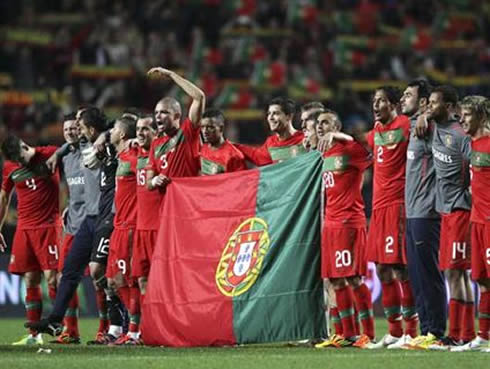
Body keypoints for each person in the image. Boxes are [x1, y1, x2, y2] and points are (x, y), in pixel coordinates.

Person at [313, 110, 375, 349]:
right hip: (330, 223)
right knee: (336, 280)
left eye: (325, 122)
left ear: (336, 126)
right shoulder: (322, 154)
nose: (320, 126)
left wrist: (340, 136)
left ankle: (368, 334)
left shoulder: (350, 151)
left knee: (353, 278)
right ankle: (346, 333)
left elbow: (364, 150)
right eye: (318, 123)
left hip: (349, 222)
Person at [420, 86, 474, 348]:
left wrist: (471, 196)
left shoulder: (460, 135)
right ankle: (464, 335)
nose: (429, 107)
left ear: (450, 107)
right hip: (446, 211)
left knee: (456, 273)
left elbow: (478, 168)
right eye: (428, 103)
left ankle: (459, 334)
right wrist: (423, 116)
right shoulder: (433, 129)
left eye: (434, 103)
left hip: (460, 210)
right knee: (455, 274)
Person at [364, 86, 418, 349]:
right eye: (374, 101)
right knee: (383, 269)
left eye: (382, 101)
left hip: (398, 205)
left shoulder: (406, 125)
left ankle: (412, 332)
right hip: (378, 208)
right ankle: (394, 332)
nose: (376, 105)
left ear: (394, 103)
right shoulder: (375, 133)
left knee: (400, 267)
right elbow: (355, 147)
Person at [399, 80, 448, 349]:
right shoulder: (412, 126)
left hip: (427, 212)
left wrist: (429, 116)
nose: (402, 99)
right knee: (417, 274)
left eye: (408, 96)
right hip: (412, 210)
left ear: (423, 102)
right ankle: (426, 329)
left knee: (429, 274)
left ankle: (437, 332)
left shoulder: (430, 127)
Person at [0, 136, 60, 345]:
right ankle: (35, 336)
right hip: (24, 229)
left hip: (49, 226)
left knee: (53, 279)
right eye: (16, 161)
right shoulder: (10, 167)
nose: (20, 163)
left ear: (26, 146)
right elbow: (4, 197)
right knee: (30, 280)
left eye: (22, 158)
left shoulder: (51, 153)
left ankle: (67, 331)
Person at [452, 95, 490, 351]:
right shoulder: (472, 144)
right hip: (476, 220)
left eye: (466, 114)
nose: (461, 119)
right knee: (483, 280)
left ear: (481, 116)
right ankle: (484, 336)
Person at [105, 117, 141, 345]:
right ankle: (125, 329)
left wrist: (140, 145)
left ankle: (136, 331)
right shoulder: (119, 157)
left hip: (130, 227)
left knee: (128, 281)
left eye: (115, 129)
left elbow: (150, 165)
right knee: (112, 281)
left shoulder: (134, 157)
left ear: (123, 135)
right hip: (119, 226)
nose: (111, 132)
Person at [53, 113, 86, 344]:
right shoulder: (65, 157)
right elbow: (73, 189)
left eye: (73, 128)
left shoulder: (93, 149)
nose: (70, 132)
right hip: (73, 225)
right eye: (66, 130)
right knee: (64, 277)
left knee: (100, 279)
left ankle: (109, 328)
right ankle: (71, 331)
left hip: (95, 223)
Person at [146, 67, 205, 189]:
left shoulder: (187, 132)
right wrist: (154, 181)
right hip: (167, 203)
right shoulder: (155, 144)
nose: (158, 116)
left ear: (177, 115)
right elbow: (148, 183)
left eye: (164, 112)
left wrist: (172, 75)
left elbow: (199, 97)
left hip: (187, 200)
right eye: (156, 113)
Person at [131, 115, 158, 302]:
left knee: (161, 281)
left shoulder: (163, 155)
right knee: (141, 280)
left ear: (156, 133)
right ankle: (146, 328)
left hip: (160, 228)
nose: (140, 133)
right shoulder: (134, 153)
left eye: (145, 129)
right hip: (141, 229)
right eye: (138, 129)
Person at [235, 97, 306, 165]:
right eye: (269, 114)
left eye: (276, 113)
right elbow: (257, 156)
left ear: (289, 116)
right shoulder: (270, 142)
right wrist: (231, 145)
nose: (270, 118)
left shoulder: (304, 139)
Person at [200, 108, 246, 175]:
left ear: (221, 128)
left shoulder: (235, 156)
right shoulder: (202, 149)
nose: (205, 131)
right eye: (202, 127)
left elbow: (241, 183)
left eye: (210, 127)